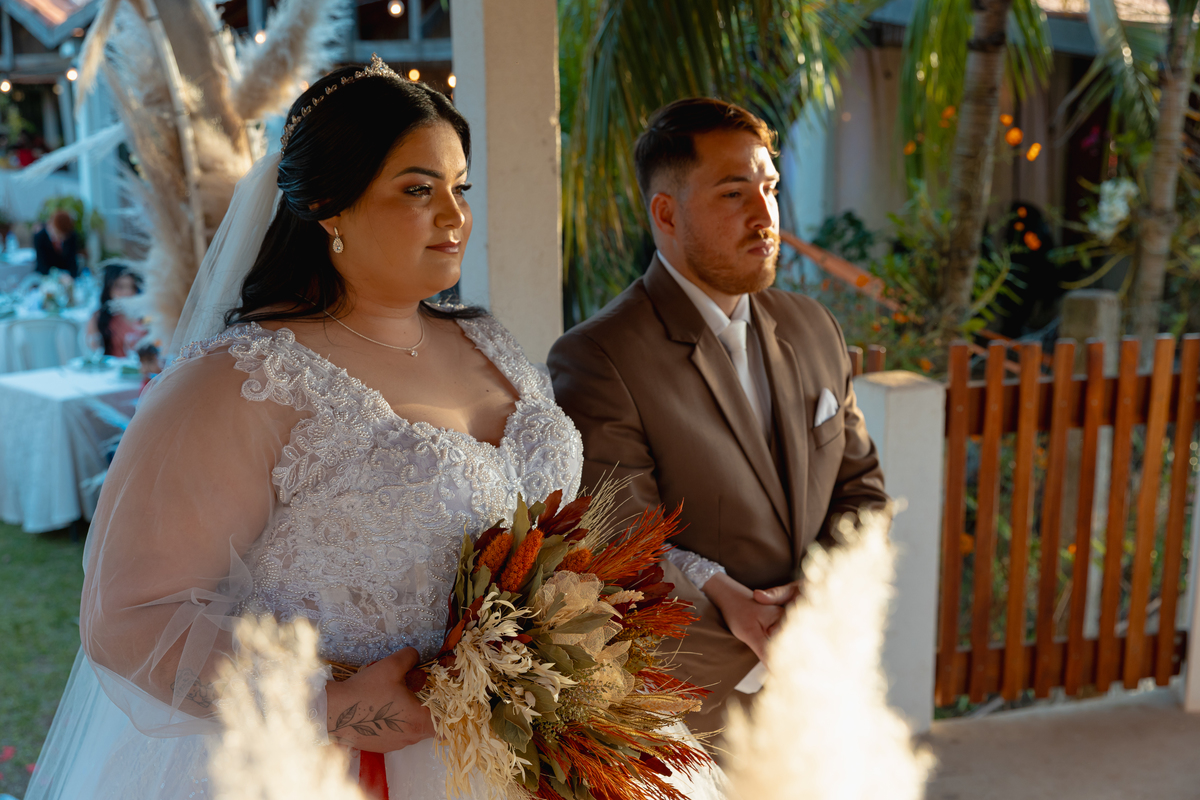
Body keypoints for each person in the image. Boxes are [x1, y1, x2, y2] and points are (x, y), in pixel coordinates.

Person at [26, 59, 622, 800]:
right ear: (329, 206)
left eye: (459, 187)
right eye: (416, 189)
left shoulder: (489, 344)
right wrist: (330, 706)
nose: (455, 215)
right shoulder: (241, 382)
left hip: (535, 753)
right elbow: (130, 616)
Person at [547, 97, 890, 742]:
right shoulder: (600, 358)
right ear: (667, 213)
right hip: (697, 724)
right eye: (735, 194)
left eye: (770, 188)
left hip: (825, 693)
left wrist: (821, 610)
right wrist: (765, 648)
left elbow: (861, 492)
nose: (766, 217)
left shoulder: (815, 328)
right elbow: (623, 558)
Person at [86, 263, 147, 357]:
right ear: (108, 289)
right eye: (120, 287)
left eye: (131, 287)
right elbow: (94, 350)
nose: (127, 292)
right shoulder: (98, 318)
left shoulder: (144, 315)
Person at [34, 209, 80, 277]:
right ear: (51, 224)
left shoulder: (71, 236)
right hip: (46, 277)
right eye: (57, 234)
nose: (59, 238)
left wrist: (70, 276)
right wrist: (58, 276)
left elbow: (72, 262)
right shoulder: (40, 237)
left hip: (66, 276)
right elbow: (41, 264)